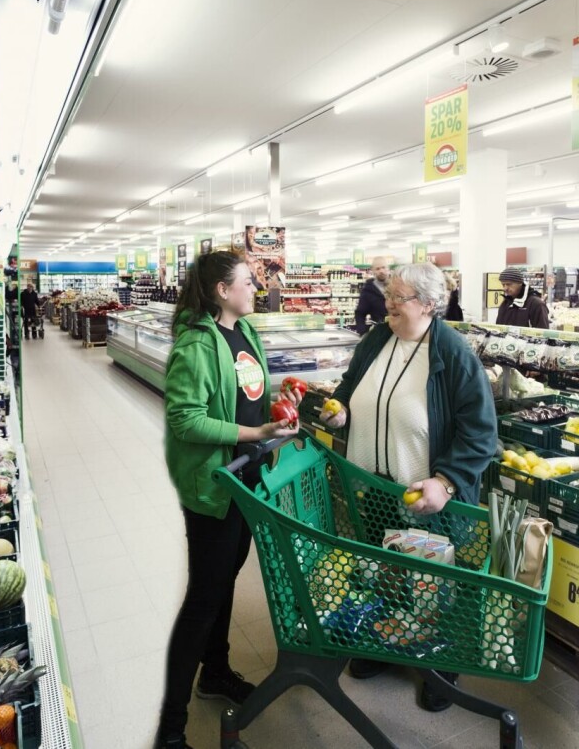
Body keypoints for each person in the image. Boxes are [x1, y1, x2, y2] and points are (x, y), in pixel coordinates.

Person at [318, 262, 497, 712]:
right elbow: (350, 385)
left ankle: (440, 664)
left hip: (423, 493)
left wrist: (448, 481)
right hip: (372, 485)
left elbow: (480, 432)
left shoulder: (452, 353)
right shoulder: (378, 337)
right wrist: (340, 409)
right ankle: (383, 645)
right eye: (389, 295)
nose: (388, 305)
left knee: (430, 581)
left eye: (400, 299)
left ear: (430, 305)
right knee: (383, 567)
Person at [156, 251, 299, 749]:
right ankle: (171, 729)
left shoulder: (246, 333)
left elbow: (251, 392)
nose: (256, 288)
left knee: (224, 583)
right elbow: (185, 419)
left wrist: (285, 407)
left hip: (247, 481)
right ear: (222, 290)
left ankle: (214, 672)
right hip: (215, 487)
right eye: (247, 282)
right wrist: (254, 428)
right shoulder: (197, 343)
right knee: (202, 599)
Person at [354, 256, 390, 334]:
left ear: (388, 269)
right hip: (380, 332)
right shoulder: (368, 291)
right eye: (378, 269)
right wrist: (363, 332)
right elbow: (360, 313)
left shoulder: (397, 286)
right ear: (373, 271)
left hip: (399, 332)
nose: (381, 271)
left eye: (383, 267)